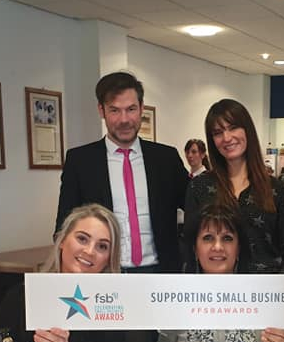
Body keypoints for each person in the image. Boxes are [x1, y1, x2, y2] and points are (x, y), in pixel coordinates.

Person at [0, 204, 155, 342]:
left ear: (109, 258)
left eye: (102, 246)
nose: (89, 251)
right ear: (61, 241)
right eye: (82, 239)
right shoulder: (20, 296)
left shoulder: (125, 301)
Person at [148, 205, 284, 342]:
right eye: (208, 238)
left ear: (239, 247)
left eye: (227, 238)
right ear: (195, 248)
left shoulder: (267, 294)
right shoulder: (178, 299)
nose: (218, 247)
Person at [55, 71, 187, 272]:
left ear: (142, 108)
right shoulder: (80, 161)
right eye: (115, 110)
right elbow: (64, 225)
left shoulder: (166, 159)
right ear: (101, 110)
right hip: (106, 273)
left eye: (131, 109)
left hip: (162, 274)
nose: (124, 119)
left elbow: (194, 208)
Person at [184, 99, 284, 273]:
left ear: (247, 130)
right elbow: (190, 248)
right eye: (218, 132)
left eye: (233, 128)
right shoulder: (199, 187)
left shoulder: (275, 189)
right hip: (216, 293)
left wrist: (281, 294)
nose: (227, 138)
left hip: (268, 292)